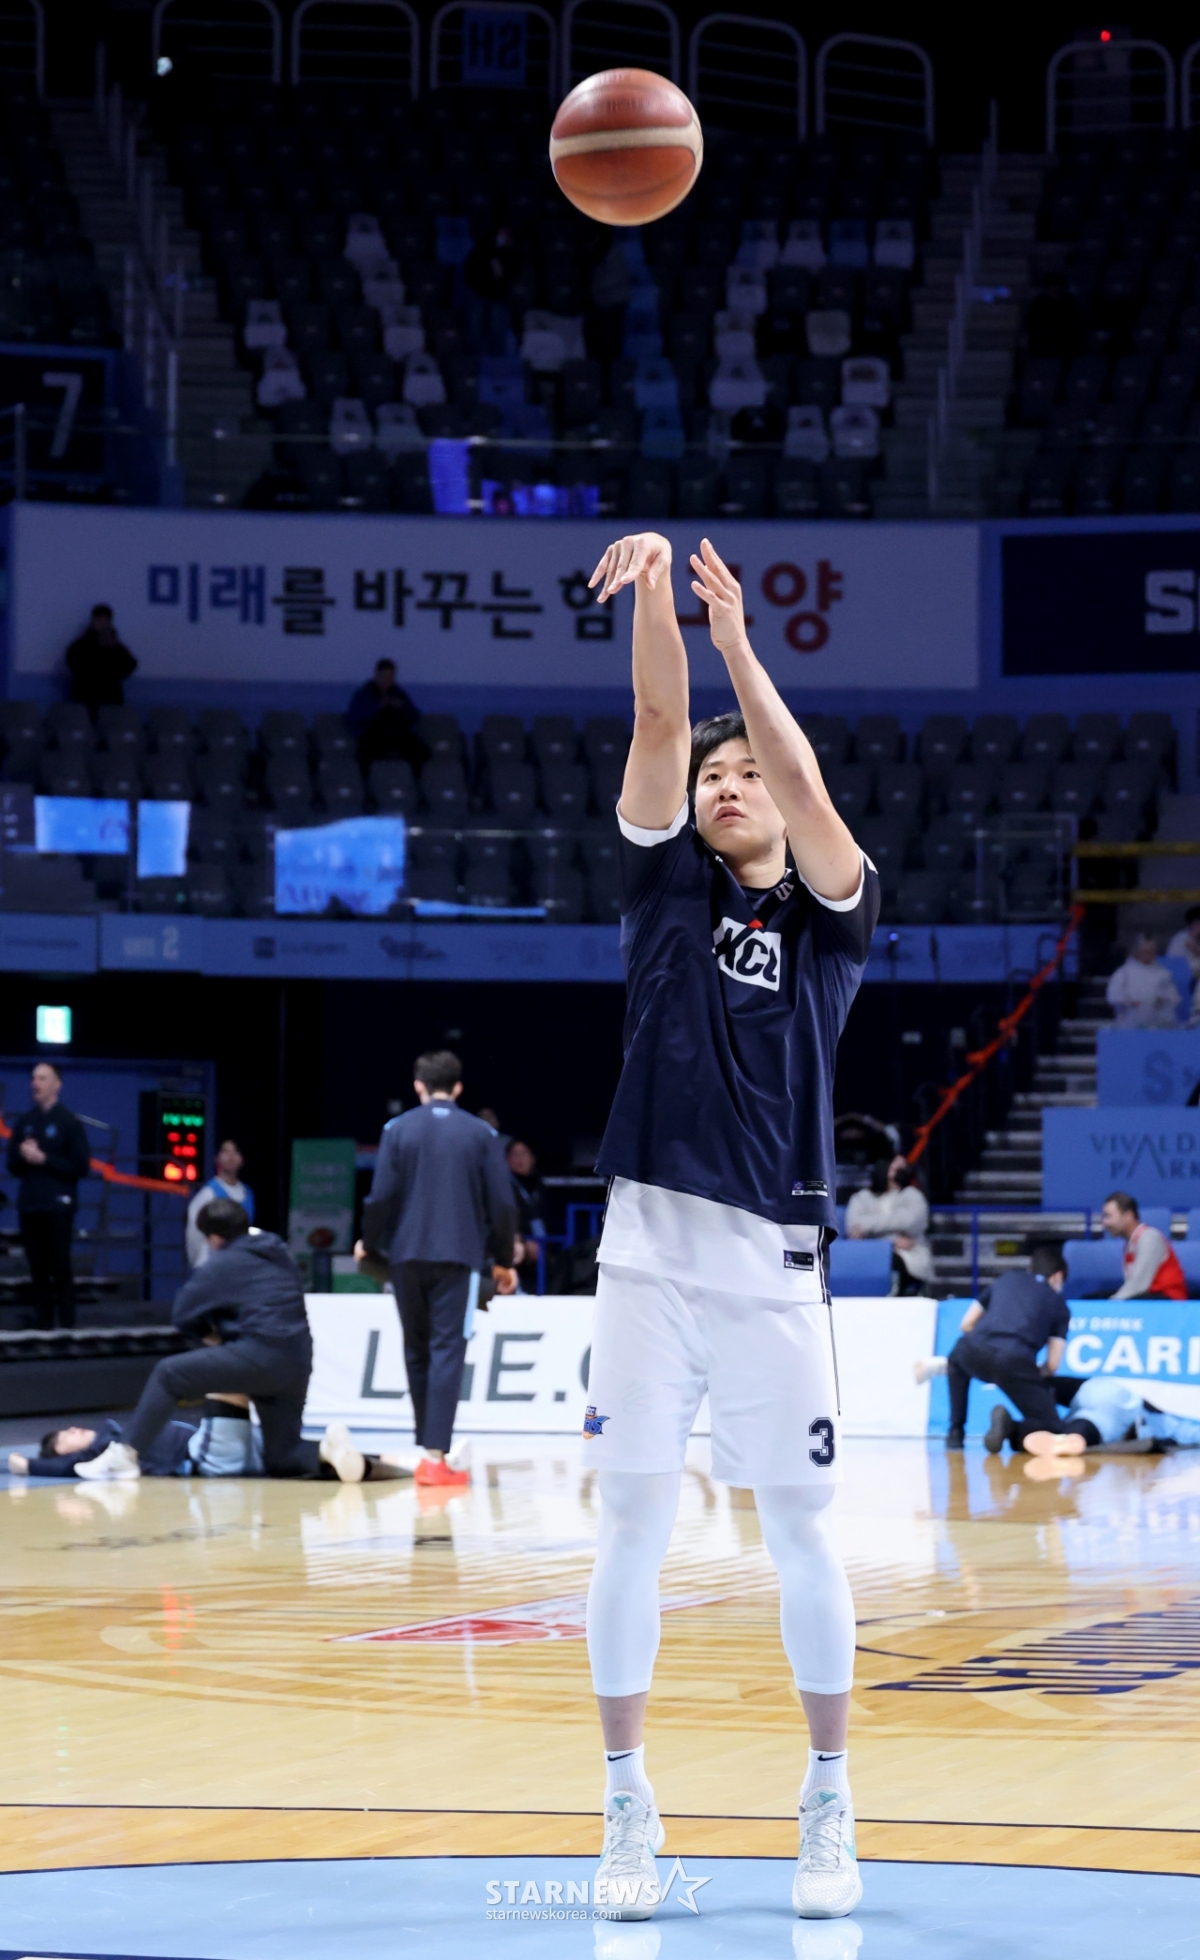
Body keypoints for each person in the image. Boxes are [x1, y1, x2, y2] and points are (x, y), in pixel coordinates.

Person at [582, 532, 879, 1923]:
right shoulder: (663, 888)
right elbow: (658, 716)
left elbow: (807, 786)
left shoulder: (833, 919)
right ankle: (625, 1805)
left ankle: (828, 1797)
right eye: (717, 777)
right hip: (645, 1250)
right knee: (629, 1525)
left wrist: (741, 646)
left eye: (744, 771)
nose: (727, 783)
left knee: (802, 1529)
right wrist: (657, 597)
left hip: (774, 1255)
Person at [74, 1199, 352, 1483]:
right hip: (298, 1360)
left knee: (169, 1374)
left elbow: (182, 1314)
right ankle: (338, 1454)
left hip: (260, 1354)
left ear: (215, 1238)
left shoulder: (223, 1263)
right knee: (282, 1456)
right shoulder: (278, 1250)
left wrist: (214, 1338)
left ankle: (123, 1456)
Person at [358, 1050, 519, 1490]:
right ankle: (435, 1458)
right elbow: (502, 1204)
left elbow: (380, 1197)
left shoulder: (396, 1129)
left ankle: (426, 1451)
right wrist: (503, 1260)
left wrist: (369, 1244)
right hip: (458, 1257)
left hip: (405, 1256)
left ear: (418, 1086)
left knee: (416, 1349)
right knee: (447, 1350)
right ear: (459, 1087)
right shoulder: (481, 1133)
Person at [941, 1245, 1072, 1451]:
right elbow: (1053, 1365)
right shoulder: (1059, 1305)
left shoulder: (1006, 1279)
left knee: (956, 1360)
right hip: (1015, 1360)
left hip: (974, 1349)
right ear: (1058, 1276)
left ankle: (955, 1432)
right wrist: (1031, 1375)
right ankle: (1011, 1428)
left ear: (1030, 1269)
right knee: (1053, 1428)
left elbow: (966, 1324)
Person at [5, 1062, 91, 1330]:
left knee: (60, 1266)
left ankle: (67, 1325)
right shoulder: (25, 1122)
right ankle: (43, 1324)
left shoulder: (69, 1123)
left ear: (57, 1084)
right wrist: (24, 1155)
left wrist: (44, 1159)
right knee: (37, 1268)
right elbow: (12, 1166)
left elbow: (80, 1166)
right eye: (34, 1078)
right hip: (31, 1204)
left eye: (43, 1078)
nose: (36, 1083)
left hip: (58, 1205)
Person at [7, 1403, 264, 1479]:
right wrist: (27, 1465)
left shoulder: (113, 1433)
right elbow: (65, 1466)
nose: (72, 1429)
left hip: (203, 1441)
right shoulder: (98, 1454)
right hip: (198, 1453)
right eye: (64, 1438)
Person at [844, 1156, 932, 1293]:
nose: (900, 1173)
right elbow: (853, 1226)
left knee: (892, 1261)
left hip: (909, 1254)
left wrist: (869, 1226)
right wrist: (891, 1240)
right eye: (895, 1169)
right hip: (868, 1253)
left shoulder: (913, 1196)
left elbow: (910, 1222)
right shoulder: (862, 1198)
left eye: (903, 1169)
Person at [1101, 1191, 1188, 1300]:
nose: (1105, 1223)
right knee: (1093, 1298)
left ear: (1128, 1215)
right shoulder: (1129, 1244)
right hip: (1147, 1297)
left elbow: (1139, 1284)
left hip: (1168, 1301)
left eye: (1108, 1216)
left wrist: (1110, 1305)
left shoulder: (1149, 1238)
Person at [186, 1138, 255, 1267]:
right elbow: (194, 1233)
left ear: (242, 1159)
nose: (230, 1156)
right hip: (213, 1266)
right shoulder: (208, 1193)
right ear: (217, 1158)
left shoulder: (248, 1193)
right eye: (225, 1151)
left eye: (235, 1151)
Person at [64, 604, 137, 717]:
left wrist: (113, 648)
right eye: (99, 620)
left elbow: (130, 665)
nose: (102, 624)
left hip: (111, 700)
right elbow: (74, 663)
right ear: (92, 622)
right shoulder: (80, 646)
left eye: (106, 621)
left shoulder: (116, 646)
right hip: (85, 698)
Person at [346, 657, 422, 758]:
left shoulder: (398, 693)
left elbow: (415, 716)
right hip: (372, 736)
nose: (386, 680)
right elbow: (355, 717)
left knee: (420, 749)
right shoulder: (364, 694)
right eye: (383, 676)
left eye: (390, 677)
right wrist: (378, 707)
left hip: (395, 736)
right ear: (376, 675)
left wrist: (401, 707)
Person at [1105, 935, 1180, 1029]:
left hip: (1158, 1024)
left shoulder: (1164, 974)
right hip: (1130, 1025)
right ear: (1137, 951)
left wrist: (1163, 1000)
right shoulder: (1123, 973)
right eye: (1146, 951)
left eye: (1152, 950)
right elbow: (1114, 997)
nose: (1150, 954)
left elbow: (1174, 997)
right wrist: (1131, 1003)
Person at [507, 1137, 545, 1287]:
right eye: (514, 1154)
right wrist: (522, 1241)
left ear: (532, 1159)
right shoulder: (505, 1188)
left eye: (523, 1153)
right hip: (519, 1247)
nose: (519, 1159)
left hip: (544, 1245)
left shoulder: (540, 1186)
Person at [1167, 905, 1200, 982]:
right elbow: (1171, 962)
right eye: (1197, 922)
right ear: (1191, 923)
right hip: (1184, 978)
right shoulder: (1180, 938)